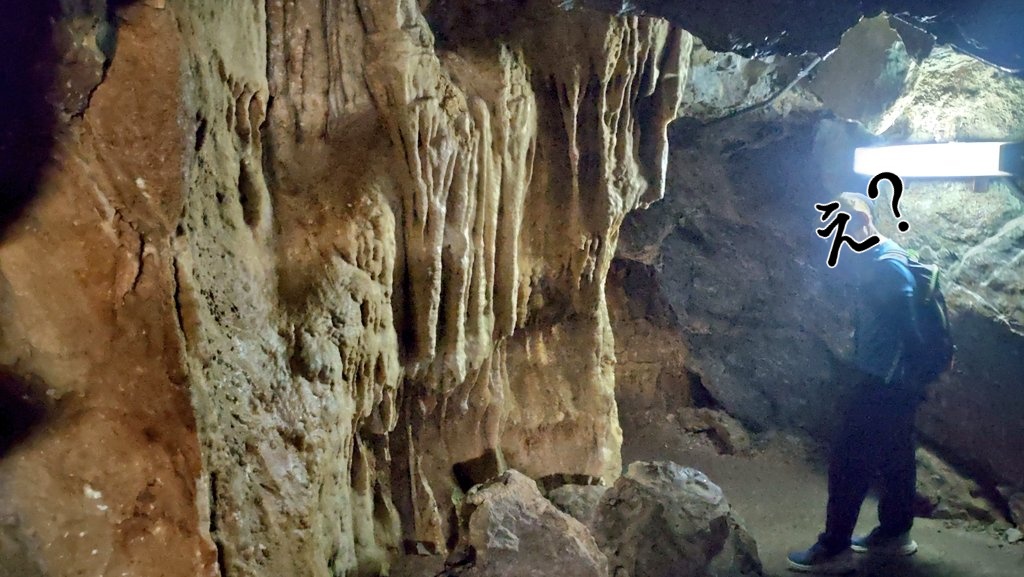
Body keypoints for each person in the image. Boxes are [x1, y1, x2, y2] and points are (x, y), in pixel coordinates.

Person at [788, 192, 925, 574]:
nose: (837, 238)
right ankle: (895, 533)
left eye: (842, 228)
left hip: (885, 382)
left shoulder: (886, 267)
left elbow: (909, 329)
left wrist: (900, 378)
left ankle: (835, 546)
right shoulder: (881, 260)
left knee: (849, 461)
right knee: (897, 456)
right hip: (895, 381)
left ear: (864, 223)